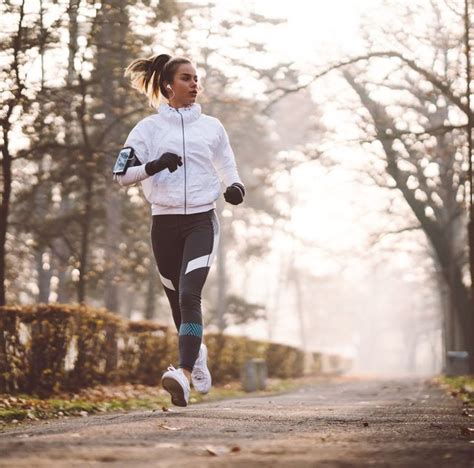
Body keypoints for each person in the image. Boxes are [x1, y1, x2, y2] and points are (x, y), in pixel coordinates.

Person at [115, 54, 245, 407]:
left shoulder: (213, 127)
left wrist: (235, 187)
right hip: (164, 223)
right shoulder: (147, 129)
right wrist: (154, 165)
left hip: (202, 221)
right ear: (168, 85)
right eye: (186, 78)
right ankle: (197, 352)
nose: (194, 83)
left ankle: (183, 374)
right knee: (176, 303)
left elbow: (228, 166)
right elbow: (121, 175)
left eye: (196, 78)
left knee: (190, 295)